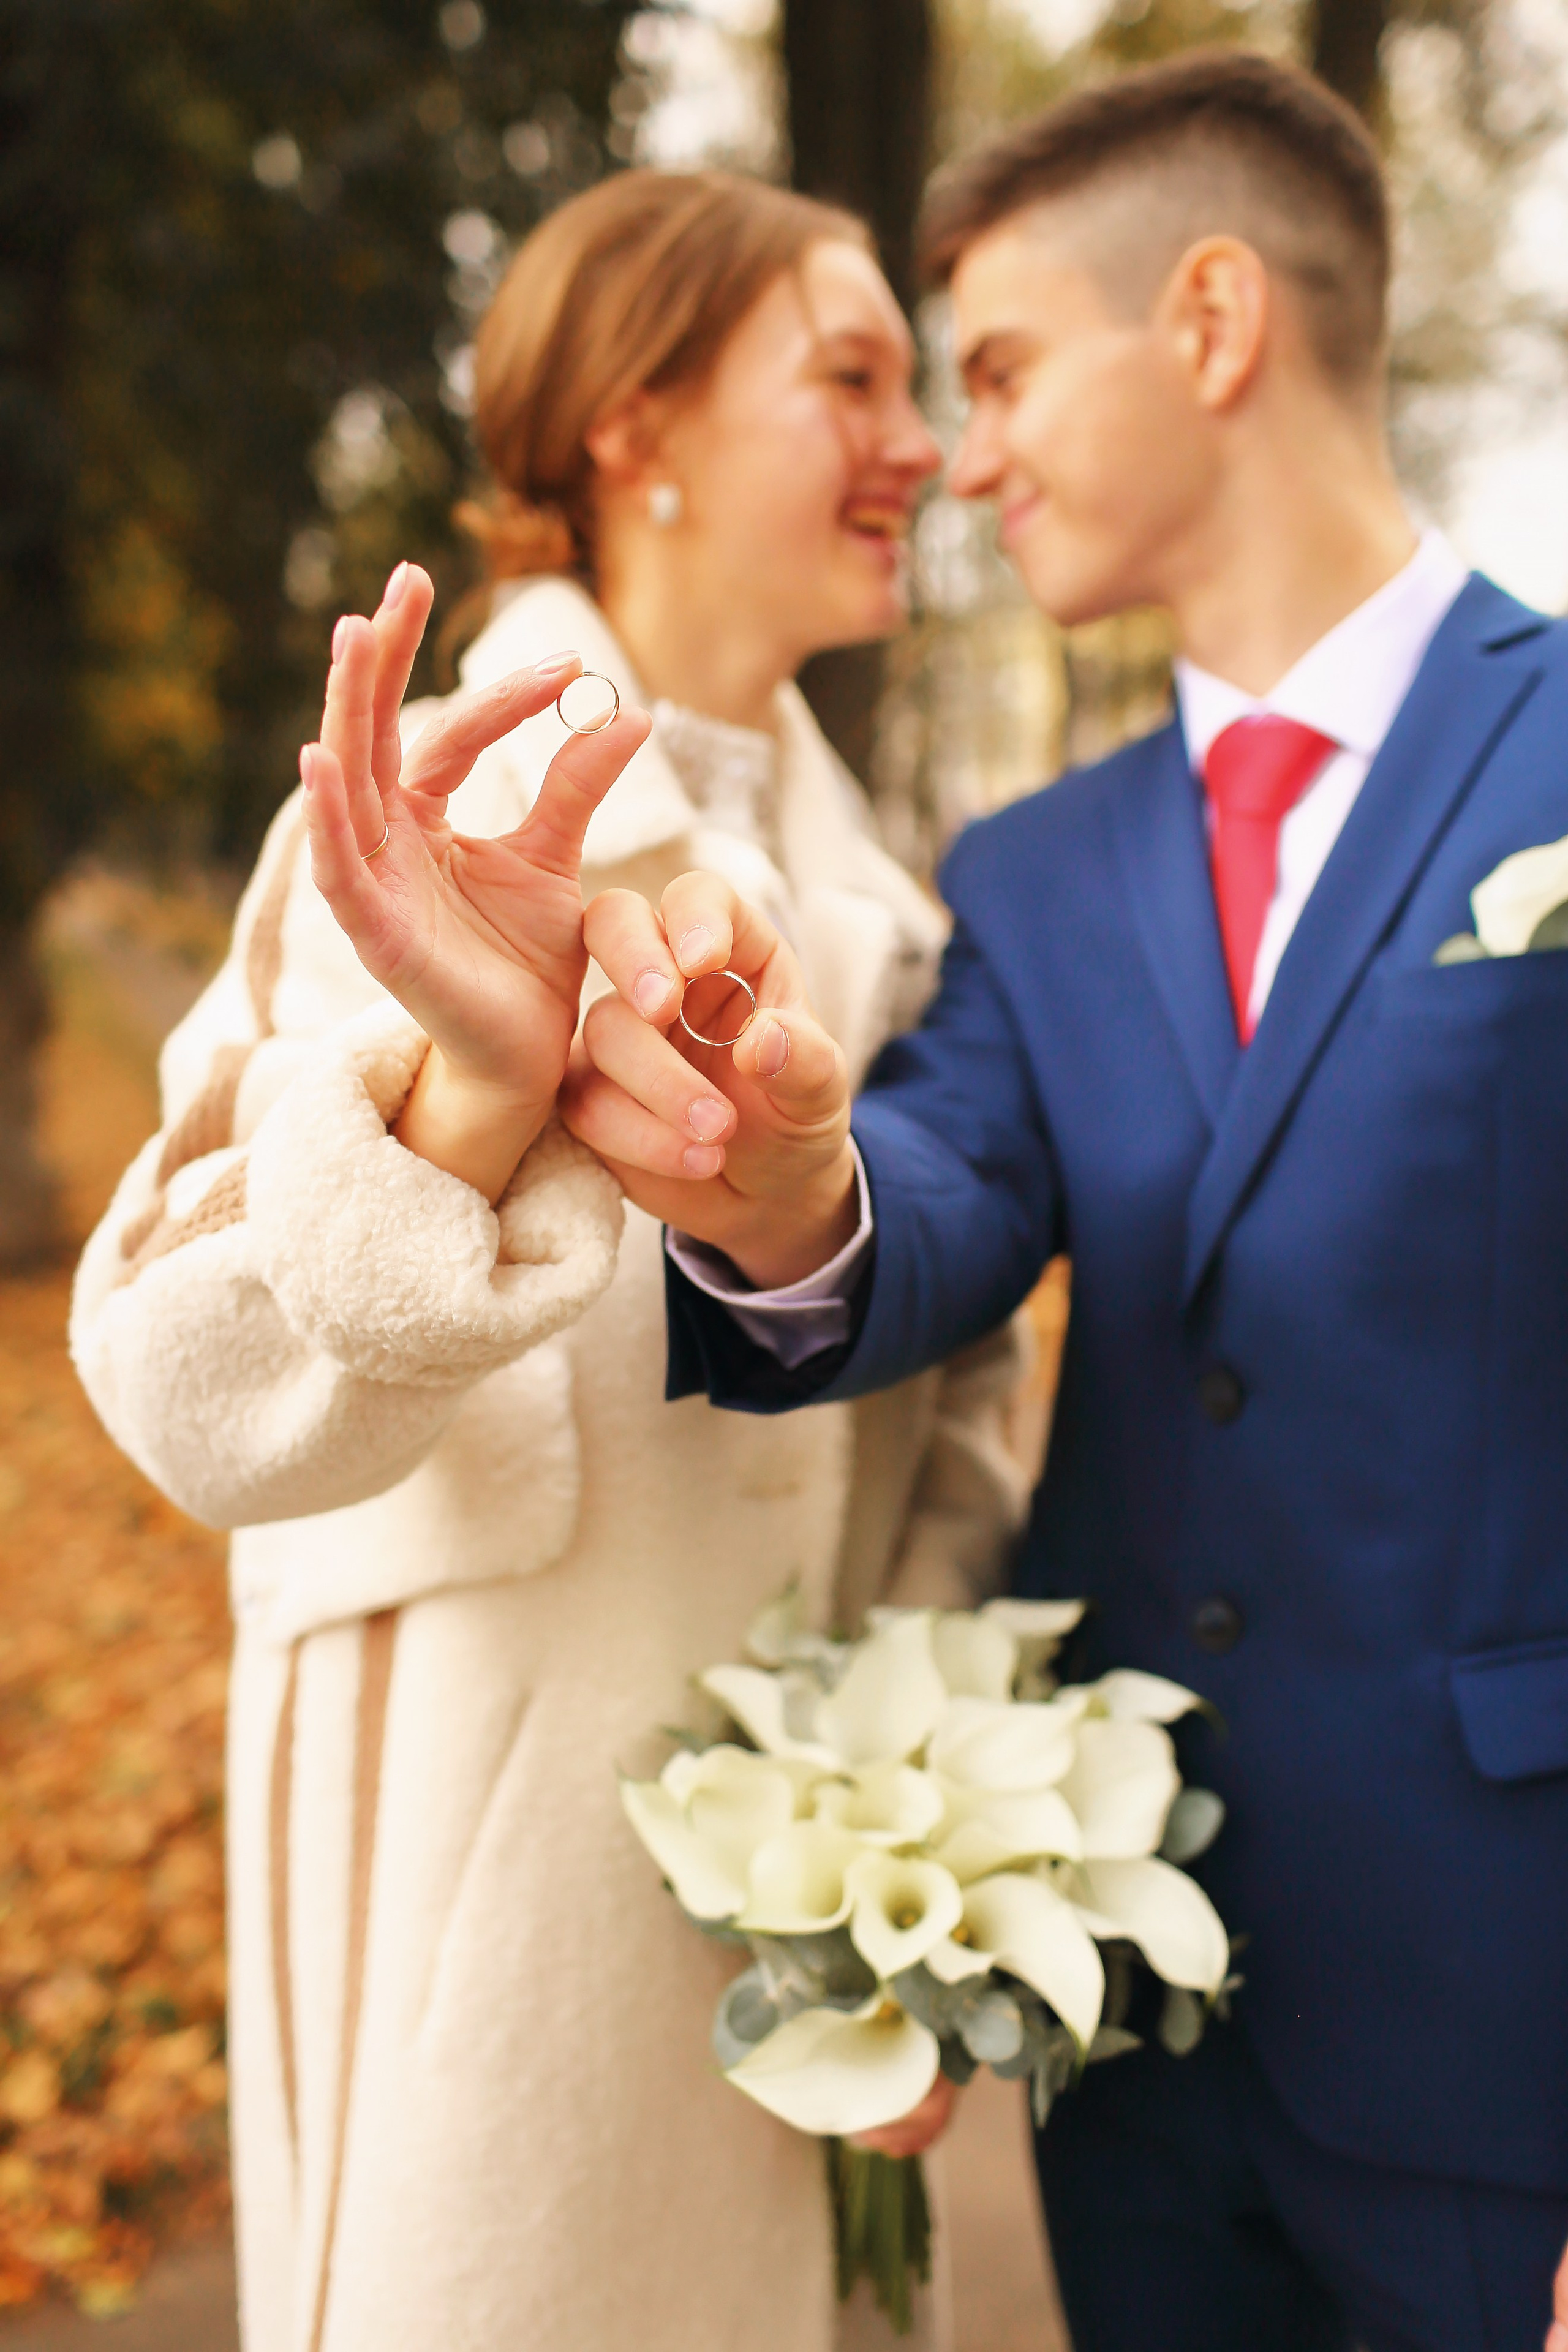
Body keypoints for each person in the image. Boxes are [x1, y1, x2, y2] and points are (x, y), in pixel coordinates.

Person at [561, 53, 1568, 2352]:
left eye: (1002, 370)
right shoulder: (1028, 875)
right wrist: (783, 1175)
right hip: (1139, 2060)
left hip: (1516, 2044)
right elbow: (928, 1195)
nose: (965, 453)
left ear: (1211, 323)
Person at [70, 172, 1035, 2352]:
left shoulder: (894, 911)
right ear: (638, 425)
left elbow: (959, 1413)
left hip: (807, 1950)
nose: (928, 449)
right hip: (483, 1937)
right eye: (853, 377)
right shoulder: (418, 810)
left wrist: (940, 1877)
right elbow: (178, 1381)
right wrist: (465, 1097)